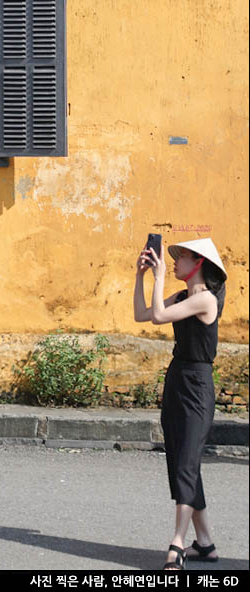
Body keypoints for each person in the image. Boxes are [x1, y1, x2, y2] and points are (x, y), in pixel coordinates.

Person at [133, 237, 228, 570]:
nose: (173, 262)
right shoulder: (185, 296)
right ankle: (206, 543)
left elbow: (159, 316)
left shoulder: (204, 300)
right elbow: (143, 314)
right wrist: (141, 276)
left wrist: (158, 277)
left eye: (181, 257)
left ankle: (177, 544)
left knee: (186, 464)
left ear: (198, 263)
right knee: (180, 462)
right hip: (177, 381)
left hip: (198, 387)